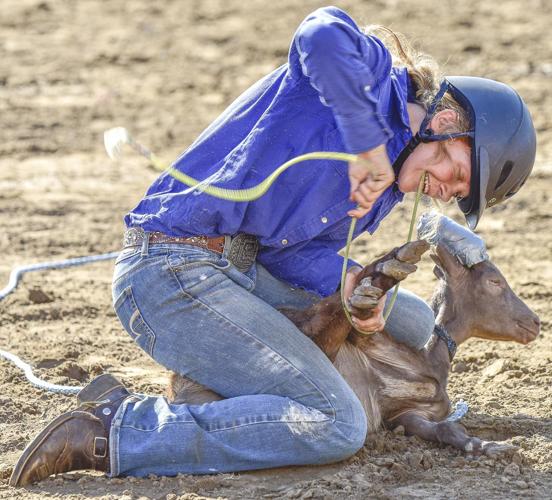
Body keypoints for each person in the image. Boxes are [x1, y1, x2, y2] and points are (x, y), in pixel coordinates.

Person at [10, 6, 536, 486]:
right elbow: (320, 31)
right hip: (169, 267)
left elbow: (292, 257)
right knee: (336, 424)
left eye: (458, 192)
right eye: (457, 171)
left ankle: (223, 387)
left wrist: (351, 282)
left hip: (238, 272)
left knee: (413, 320)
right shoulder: (374, 80)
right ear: (445, 124)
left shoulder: (384, 191)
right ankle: (114, 430)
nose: (444, 189)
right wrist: (365, 141)